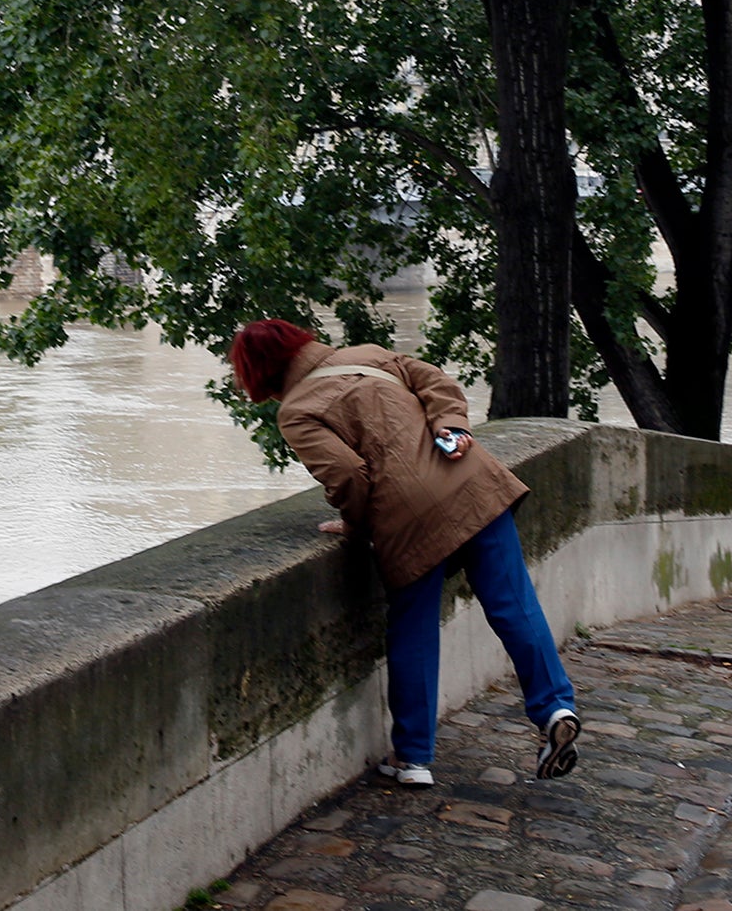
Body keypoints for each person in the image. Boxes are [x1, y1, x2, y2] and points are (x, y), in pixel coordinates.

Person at [230, 319, 580, 789]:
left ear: (259, 372)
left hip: (409, 519)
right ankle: (555, 706)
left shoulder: (296, 411)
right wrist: (451, 426)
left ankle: (414, 758)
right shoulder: (370, 355)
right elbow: (437, 383)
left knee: (413, 630)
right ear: (299, 341)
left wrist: (355, 527)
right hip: (471, 485)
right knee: (513, 604)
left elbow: (349, 475)